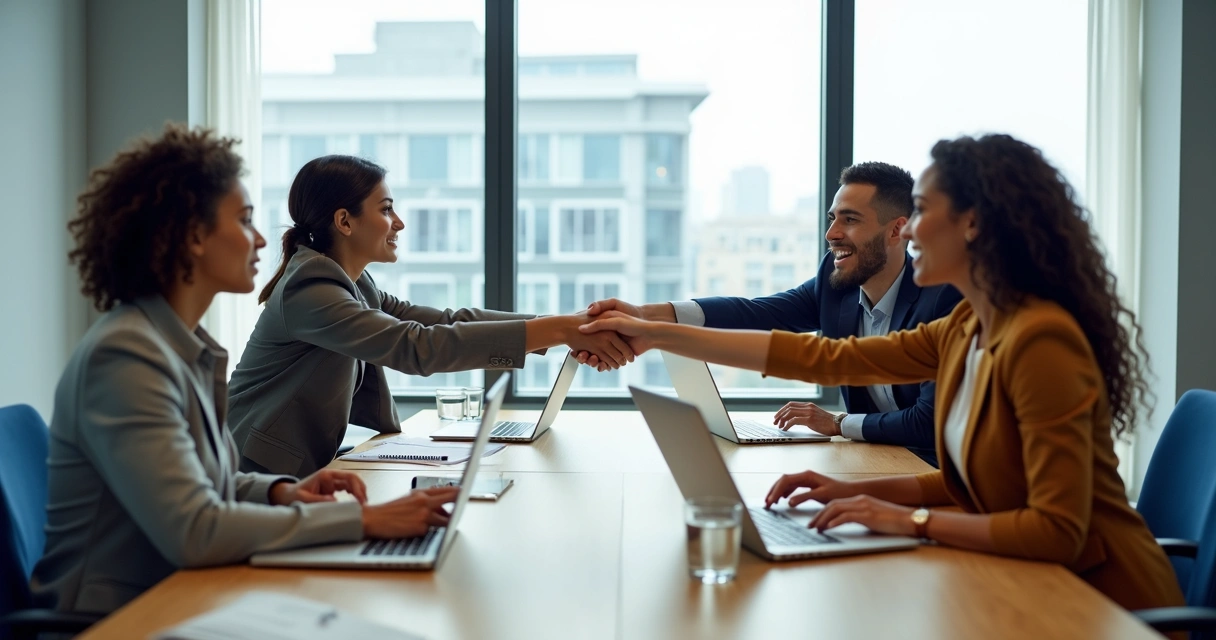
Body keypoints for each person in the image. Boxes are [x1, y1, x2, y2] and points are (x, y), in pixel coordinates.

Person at [579, 134, 1185, 612]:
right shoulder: (971, 327)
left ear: (971, 223)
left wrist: (902, 519)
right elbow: (832, 363)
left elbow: (1056, 532)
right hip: (1027, 577)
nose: (912, 230)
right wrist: (655, 332)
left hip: (1101, 601)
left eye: (921, 212)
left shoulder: (1042, 340)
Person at [31, 125, 460, 615]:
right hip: (121, 616)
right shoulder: (125, 359)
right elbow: (195, 529)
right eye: (244, 221)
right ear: (193, 237)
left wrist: (283, 491)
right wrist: (365, 522)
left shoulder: (174, 344)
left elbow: (208, 487)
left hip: (179, 592)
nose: (260, 239)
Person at [228, 155, 632, 477]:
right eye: (386, 209)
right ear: (344, 221)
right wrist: (562, 330)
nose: (399, 223)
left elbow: (445, 320)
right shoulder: (311, 288)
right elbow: (417, 348)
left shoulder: (354, 284)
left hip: (298, 472)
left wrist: (563, 325)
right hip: (255, 475)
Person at [587, 162, 960, 466]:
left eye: (850, 219)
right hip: (874, 463)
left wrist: (840, 423)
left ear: (897, 230)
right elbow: (756, 313)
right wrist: (648, 315)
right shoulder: (836, 285)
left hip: (933, 470)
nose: (831, 234)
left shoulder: (944, 300)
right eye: (832, 218)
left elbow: (928, 423)